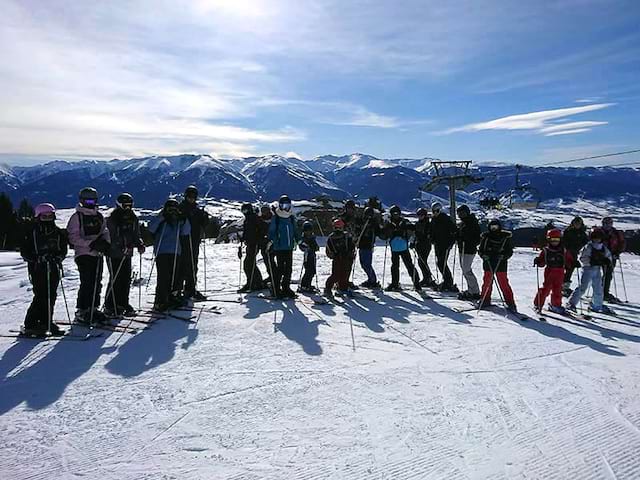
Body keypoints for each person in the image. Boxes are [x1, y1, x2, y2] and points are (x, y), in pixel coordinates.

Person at [20, 203, 67, 336]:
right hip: (38, 268)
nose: (47, 218)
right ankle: (31, 323)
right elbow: (25, 251)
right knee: (40, 295)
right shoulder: (32, 232)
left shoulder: (57, 232)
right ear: (38, 217)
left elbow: (63, 249)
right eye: (44, 216)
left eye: (50, 215)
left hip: (53, 267)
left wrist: (58, 257)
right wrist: (37, 258)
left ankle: (46, 321)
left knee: (51, 294)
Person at [67, 187, 111, 324]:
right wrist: (91, 243)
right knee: (87, 282)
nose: (90, 203)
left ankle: (93, 307)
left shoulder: (98, 216)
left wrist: (105, 242)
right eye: (87, 201)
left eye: (93, 201)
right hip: (84, 254)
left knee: (97, 281)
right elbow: (73, 237)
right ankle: (82, 310)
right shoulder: (77, 217)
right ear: (81, 201)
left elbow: (105, 231)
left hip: (98, 254)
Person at [103, 193, 145, 317]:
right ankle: (110, 305)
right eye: (125, 205)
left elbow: (136, 234)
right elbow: (111, 236)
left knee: (126, 279)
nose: (127, 207)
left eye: (129, 205)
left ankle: (123, 303)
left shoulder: (133, 217)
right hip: (114, 253)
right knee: (116, 278)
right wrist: (120, 246)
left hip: (127, 253)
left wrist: (139, 244)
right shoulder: (113, 218)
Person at [148, 199, 191, 312]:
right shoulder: (161, 218)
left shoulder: (178, 220)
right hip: (162, 251)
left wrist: (184, 219)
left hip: (176, 251)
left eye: (174, 209)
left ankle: (173, 296)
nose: (172, 212)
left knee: (176, 276)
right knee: (163, 277)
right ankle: (160, 300)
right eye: (170, 209)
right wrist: (162, 217)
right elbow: (151, 229)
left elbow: (186, 232)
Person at [566, 228, 614, 314]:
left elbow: (608, 256)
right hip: (588, 269)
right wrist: (591, 261)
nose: (597, 239)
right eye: (595, 237)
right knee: (583, 287)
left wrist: (607, 261)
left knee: (598, 288)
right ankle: (571, 303)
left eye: (599, 237)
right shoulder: (588, 246)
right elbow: (582, 257)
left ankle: (596, 304)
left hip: (597, 269)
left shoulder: (603, 247)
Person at [477, 219, 517, 312]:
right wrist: (483, 255)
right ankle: (485, 300)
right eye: (492, 227)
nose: (494, 229)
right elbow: (481, 250)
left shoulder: (505, 238)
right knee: (487, 282)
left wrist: (504, 256)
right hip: (488, 262)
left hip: (501, 263)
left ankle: (510, 302)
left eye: (496, 227)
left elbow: (509, 251)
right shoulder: (486, 237)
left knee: (503, 283)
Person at [179, 185, 209, 301]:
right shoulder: (181, 208)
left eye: (193, 197)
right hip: (183, 241)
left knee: (193, 265)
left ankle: (190, 289)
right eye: (190, 197)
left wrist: (204, 218)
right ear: (186, 196)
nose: (192, 199)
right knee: (182, 265)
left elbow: (203, 224)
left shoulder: (196, 210)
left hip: (195, 240)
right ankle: (178, 290)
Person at [383, 205, 421, 292]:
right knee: (408, 265)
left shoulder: (390, 223)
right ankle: (416, 284)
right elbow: (413, 228)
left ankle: (395, 284)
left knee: (396, 266)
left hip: (395, 247)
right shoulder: (403, 221)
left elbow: (384, 234)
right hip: (403, 247)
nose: (396, 215)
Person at [533, 229, 572, 314]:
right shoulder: (546, 250)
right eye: (553, 240)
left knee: (557, 289)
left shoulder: (563, 250)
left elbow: (568, 260)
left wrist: (573, 263)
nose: (555, 242)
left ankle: (555, 305)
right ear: (549, 240)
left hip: (560, 271)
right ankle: (538, 304)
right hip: (550, 271)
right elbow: (542, 262)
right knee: (546, 288)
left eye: (557, 240)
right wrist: (538, 261)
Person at [267, 195, 299, 299]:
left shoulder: (291, 217)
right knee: (280, 269)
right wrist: (272, 241)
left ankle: (286, 288)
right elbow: (272, 232)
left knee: (288, 269)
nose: (286, 208)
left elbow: (295, 231)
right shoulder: (276, 218)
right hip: (279, 247)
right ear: (280, 206)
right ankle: (276, 288)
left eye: (288, 205)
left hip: (289, 247)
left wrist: (300, 240)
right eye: (284, 205)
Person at [430, 202, 458, 292]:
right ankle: (447, 281)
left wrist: (451, 243)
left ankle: (448, 282)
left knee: (442, 263)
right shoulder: (434, 219)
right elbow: (433, 231)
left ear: (440, 210)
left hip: (445, 244)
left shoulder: (445, 219)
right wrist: (432, 239)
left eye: (437, 211)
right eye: (433, 211)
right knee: (440, 263)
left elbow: (454, 230)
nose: (435, 212)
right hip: (438, 244)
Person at [455, 204, 481, 300]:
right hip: (462, 249)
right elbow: (461, 234)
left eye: (462, 213)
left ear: (467, 213)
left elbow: (477, 238)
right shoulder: (463, 223)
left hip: (469, 250)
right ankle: (471, 290)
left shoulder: (472, 222)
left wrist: (466, 239)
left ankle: (475, 291)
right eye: (459, 214)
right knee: (465, 270)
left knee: (467, 270)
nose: (461, 215)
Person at [324, 218, 356, 296]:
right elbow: (328, 249)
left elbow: (351, 245)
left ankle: (343, 288)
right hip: (337, 258)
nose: (338, 230)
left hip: (346, 257)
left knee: (345, 273)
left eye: (340, 228)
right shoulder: (331, 238)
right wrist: (330, 254)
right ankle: (328, 288)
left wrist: (352, 252)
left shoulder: (346, 236)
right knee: (336, 275)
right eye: (336, 228)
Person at [238, 202, 264, 293]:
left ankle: (251, 283)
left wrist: (258, 239)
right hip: (250, 243)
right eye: (243, 210)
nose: (244, 212)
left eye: (245, 210)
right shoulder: (248, 219)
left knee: (248, 264)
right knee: (250, 263)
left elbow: (262, 229)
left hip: (254, 244)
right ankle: (257, 282)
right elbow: (247, 232)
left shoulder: (254, 218)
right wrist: (243, 238)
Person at [355, 206, 382, 289]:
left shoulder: (373, 224)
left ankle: (373, 280)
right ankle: (371, 279)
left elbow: (379, 232)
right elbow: (357, 230)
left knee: (367, 264)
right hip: (361, 245)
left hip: (368, 246)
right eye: (367, 214)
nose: (368, 216)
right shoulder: (362, 222)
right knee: (363, 264)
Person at [600, 216, 626, 303]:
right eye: (605, 223)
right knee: (598, 275)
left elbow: (621, 244)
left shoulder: (616, 233)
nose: (607, 225)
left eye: (609, 223)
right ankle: (602, 293)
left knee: (608, 275)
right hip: (600, 257)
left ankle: (604, 292)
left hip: (612, 256)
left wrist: (617, 253)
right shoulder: (599, 232)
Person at [562, 216, 588, 297]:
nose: (577, 225)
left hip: (575, 253)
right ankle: (562, 287)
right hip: (566, 253)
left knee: (570, 270)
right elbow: (564, 241)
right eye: (576, 223)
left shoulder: (582, 233)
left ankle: (564, 287)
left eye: (578, 223)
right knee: (566, 269)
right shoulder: (569, 231)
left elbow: (585, 242)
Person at [412, 207, 435, 288]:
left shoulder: (428, 224)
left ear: (425, 215)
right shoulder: (418, 223)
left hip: (425, 245)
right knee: (420, 261)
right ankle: (426, 278)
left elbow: (428, 235)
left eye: (422, 215)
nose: (420, 216)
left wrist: (424, 238)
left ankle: (428, 278)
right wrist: (413, 242)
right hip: (419, 244)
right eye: (419, 215)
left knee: (422, 261)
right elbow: (416, 234)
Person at [298, 221, 320, 292]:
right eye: (306, 231)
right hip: (307, 257)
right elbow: (301, 246)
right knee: (308, 271)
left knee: (312, 271)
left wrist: (316, 247)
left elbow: (316, 246)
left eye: (309, 230)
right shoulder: (303, 239)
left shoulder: (312, 238)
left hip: (312, 256)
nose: (308, 232)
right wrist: (307, 248)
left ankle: (308, 284)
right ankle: (304, 285)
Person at [258, 204, 274, 288]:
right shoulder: (260, 220)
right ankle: (271, 276)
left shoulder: (274, 219)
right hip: (264, 244)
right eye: (263, 211)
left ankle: (274, 277)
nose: (264, 213)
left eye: (266, 211)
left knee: (272, 262)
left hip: (273, 244)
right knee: (267, 262)